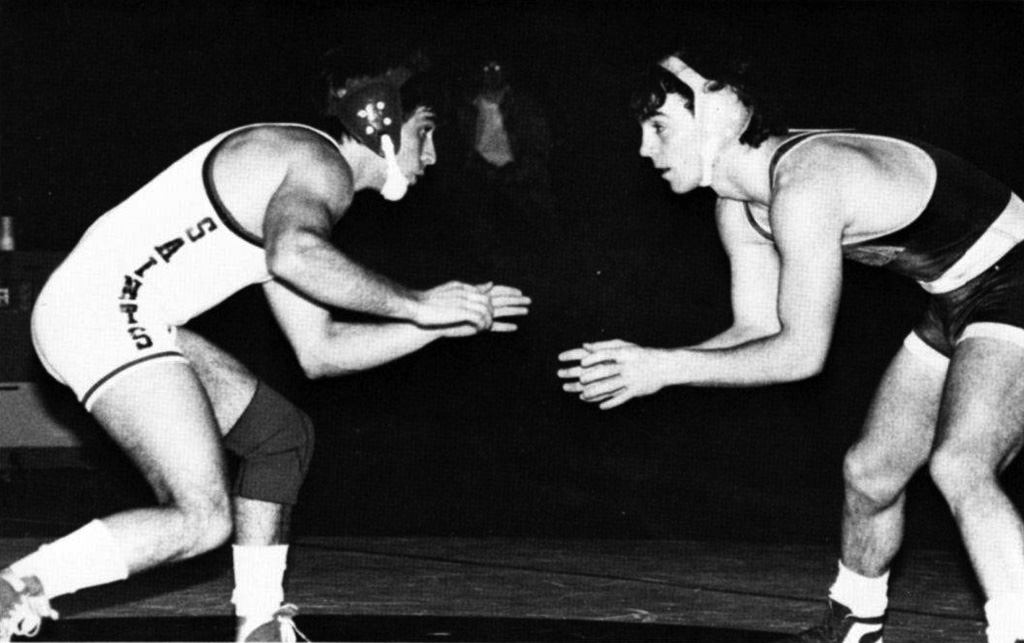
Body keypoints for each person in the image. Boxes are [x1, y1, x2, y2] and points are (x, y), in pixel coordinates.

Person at [0, 47, 531, 643]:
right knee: (202, 517)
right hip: (103, 311)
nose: (431, 156)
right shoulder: (318, 164)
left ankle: (258, 625)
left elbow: (320, 350)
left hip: (111, 309)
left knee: (279, 437)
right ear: (380, 120)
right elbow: (295, 256)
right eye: (425, 132)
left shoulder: (293, 188)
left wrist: (431, 326)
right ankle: (15, 588)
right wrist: (417, 302)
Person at [557, 45, 1024, 643]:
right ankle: (854, 622)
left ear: (719, 114)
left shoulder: (805, 185)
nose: (645, 150)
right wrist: (653, 367)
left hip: (1014, 279)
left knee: (961, 463)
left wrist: (664, 368)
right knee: (870, 472)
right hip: (955, 296)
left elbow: (803, 354)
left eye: (659, 126)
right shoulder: (741, 208)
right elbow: (757, 333)